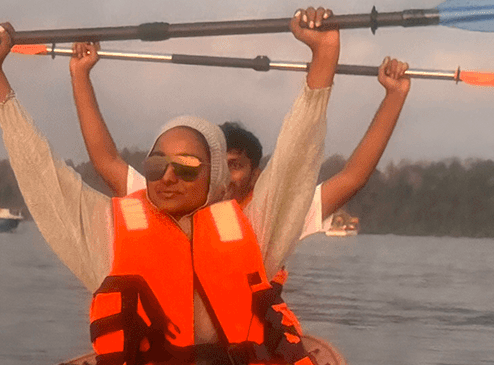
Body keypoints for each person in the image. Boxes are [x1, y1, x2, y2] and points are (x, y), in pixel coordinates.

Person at [0, 7, 338, 365]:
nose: (167, 176)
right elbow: (41, 174)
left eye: (186, 167)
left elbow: (296, 159)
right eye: (157, 163)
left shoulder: (253, 230)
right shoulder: (110, 231)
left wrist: (323, 56)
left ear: (216, 179)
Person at [69, 41, 412, 238]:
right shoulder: (168, 194)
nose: (227, 176)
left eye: (237, 166)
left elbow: (353, 176)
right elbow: (106, 161)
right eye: (221, 165)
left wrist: (394, 96)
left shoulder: (273, 216)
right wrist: (80, 73)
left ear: (255, 174)